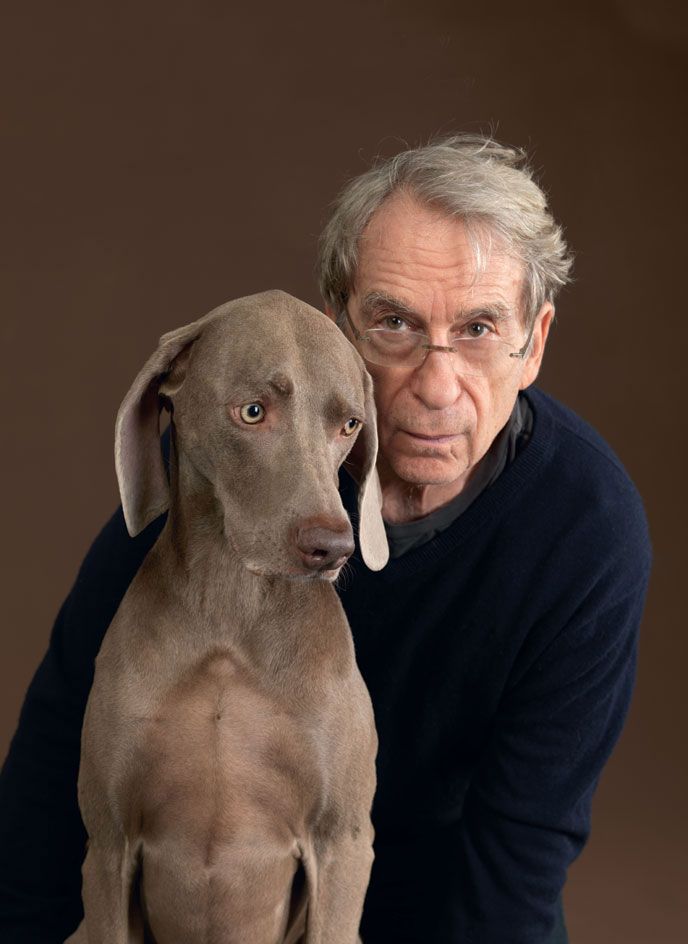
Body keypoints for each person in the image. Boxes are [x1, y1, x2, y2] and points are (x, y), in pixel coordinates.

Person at [0, 135, 651, 943]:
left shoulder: (586, 525)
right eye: (394, 323)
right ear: (335, 325)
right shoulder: (227, 474)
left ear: (535, 343)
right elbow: (54, 755)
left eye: (480, 329)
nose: (437, 384)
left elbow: (523, 842)